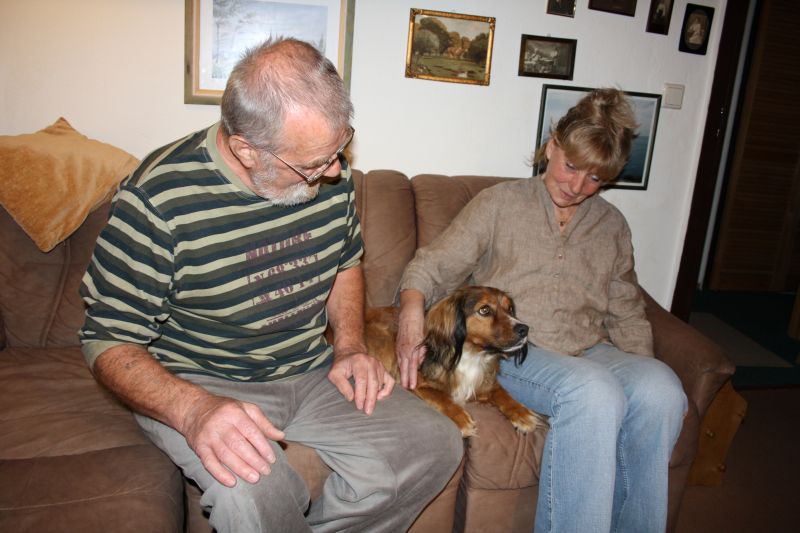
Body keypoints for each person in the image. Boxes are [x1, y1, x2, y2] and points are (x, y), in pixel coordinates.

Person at [79, 38, 462, 533]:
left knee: (434, 443)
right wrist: (193, 410)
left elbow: (345, 262)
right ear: (246, 150)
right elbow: (107, 338)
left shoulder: (329, 173)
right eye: (314, 164)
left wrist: (349, 347)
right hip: (204, 379)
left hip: (310, 368)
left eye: (339, 150)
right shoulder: (157, 198)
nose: (335, 171)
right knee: (251, 492)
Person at [396, 88, 687, 533]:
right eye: (571, 166)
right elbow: (432, 266)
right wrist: (411, 315)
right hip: (515, 351)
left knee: (662, 389)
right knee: (594, 392)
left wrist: (641, 372)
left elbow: (627, 310)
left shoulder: (611, 225)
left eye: (595, 178)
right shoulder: (499, 203)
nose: (577, 186)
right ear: (552, 146)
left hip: (591, 350)